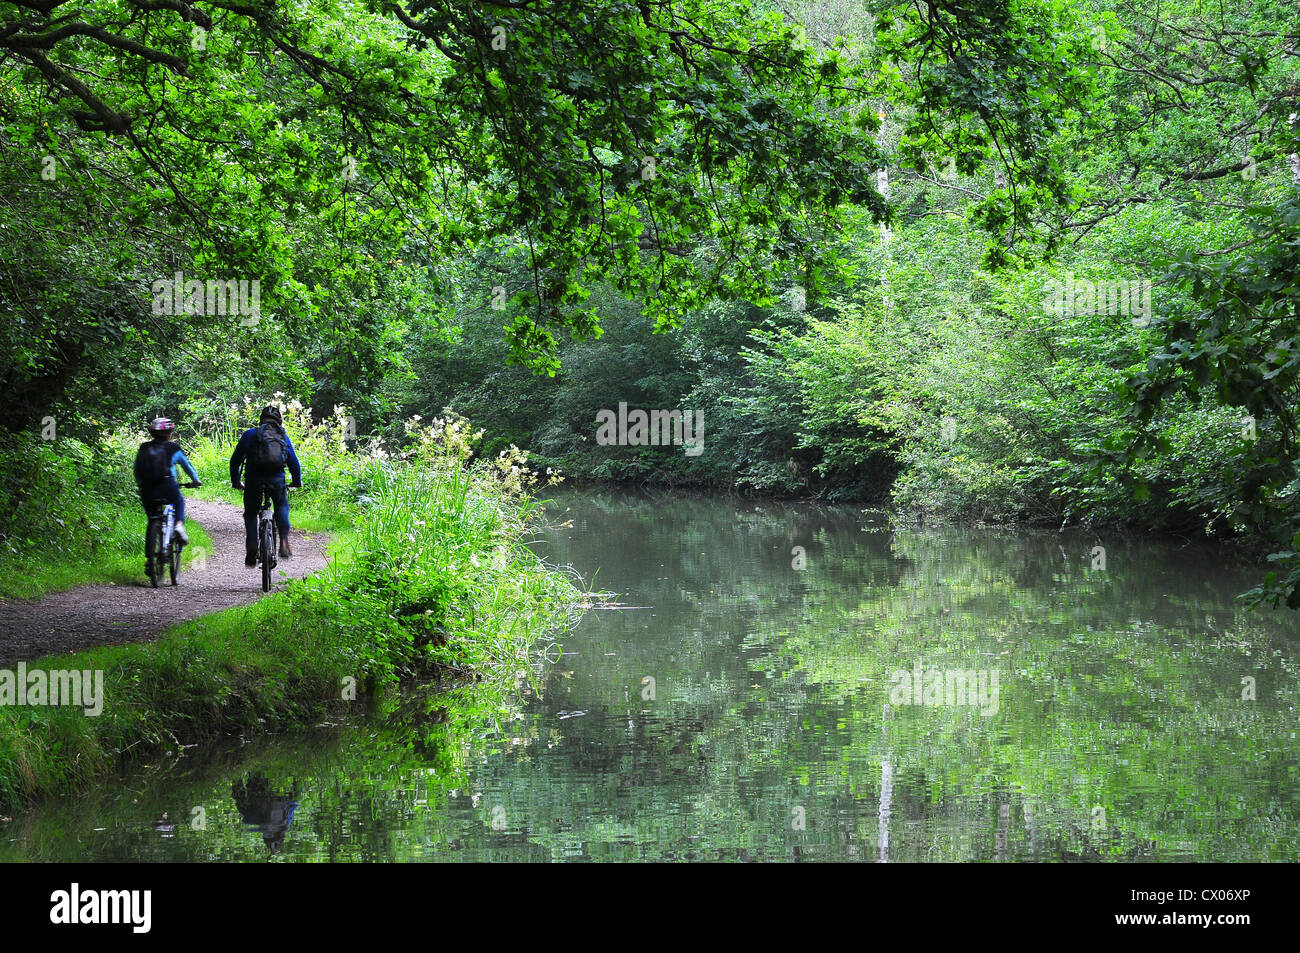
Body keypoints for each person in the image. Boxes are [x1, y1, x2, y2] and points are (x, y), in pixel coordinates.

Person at [229, 404, 302, 565]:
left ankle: (252, 544)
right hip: (277, 481)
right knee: (282, 505)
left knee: (250, 513)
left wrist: (236, 481)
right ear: (279, 421)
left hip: (253, 481)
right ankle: (283, 539)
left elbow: (235, 461)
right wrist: (296, 481)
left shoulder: (250, 434)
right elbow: (293, 462)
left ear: (261, 420)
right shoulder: (283, 436)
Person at [133, 417, 202, 545]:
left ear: (152, 432)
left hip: (147, 488)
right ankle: (179, 525)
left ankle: (150, 559)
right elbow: (187, 467)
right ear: (170, 432)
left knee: (152, 517)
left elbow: (137, 468)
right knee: (179, 501)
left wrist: (140, 484)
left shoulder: (144, 447)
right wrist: (196, 481)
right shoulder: (173, 447)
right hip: (167, 485)